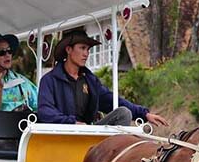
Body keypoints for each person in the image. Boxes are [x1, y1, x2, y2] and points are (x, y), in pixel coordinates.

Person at [37, 28, 169, 127]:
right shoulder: (49, 80)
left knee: (123, 113)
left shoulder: (90, 80)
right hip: (60, 135)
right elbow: (45, 112)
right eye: (82, 48)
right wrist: (72, 123)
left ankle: (113, 154)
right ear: (68, 50)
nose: (86, 54)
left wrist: (144, 114)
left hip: (88, 133)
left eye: (88, 49)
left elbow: (111, 100)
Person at [0, 33, 38, 112]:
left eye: (9, 51)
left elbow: (40, 104)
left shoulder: (21, 80)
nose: (7, 55)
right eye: (2, 52)